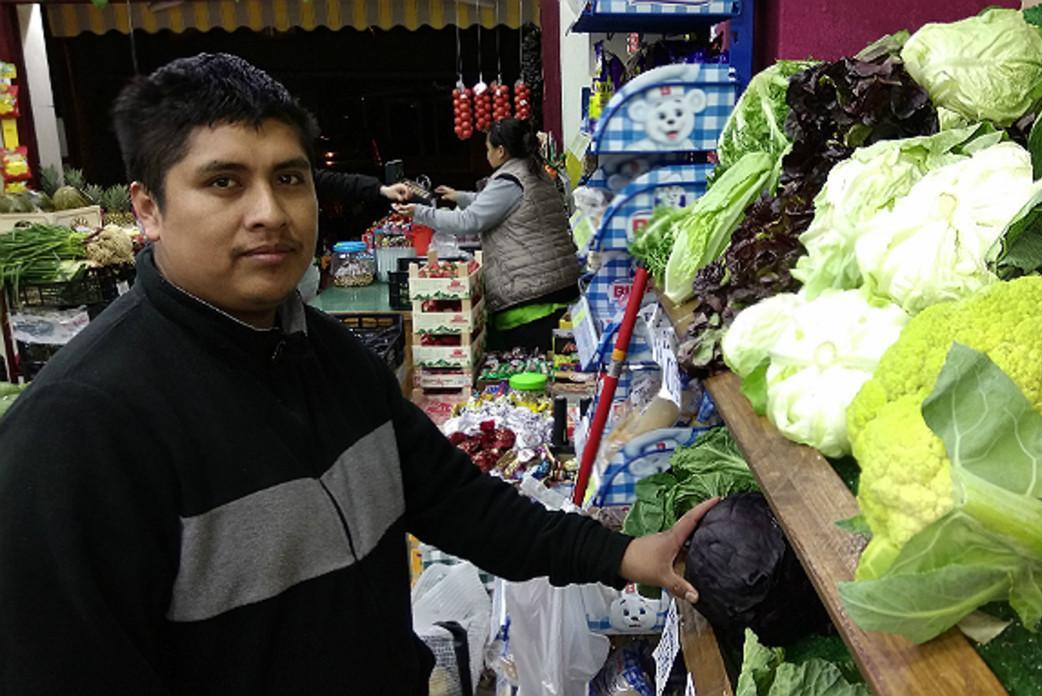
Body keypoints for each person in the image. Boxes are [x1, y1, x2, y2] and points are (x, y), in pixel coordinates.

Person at [0, 53, 715, 694]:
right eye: (222, 182)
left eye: (289, 179)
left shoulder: (332, 359)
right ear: (148, 208)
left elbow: (462, 505)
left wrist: (622, 553)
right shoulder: (76, 432)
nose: (268, 213)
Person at [395, 118, 579, 352]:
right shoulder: (532, 169)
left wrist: (420, 212)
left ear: (501, 151)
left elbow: (468, 221)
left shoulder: (510, 179)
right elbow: (501, 205)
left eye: (488, 149)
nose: (486, 154)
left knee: (530, 366)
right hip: (555, 284)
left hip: (533, 295)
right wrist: (461, 197)